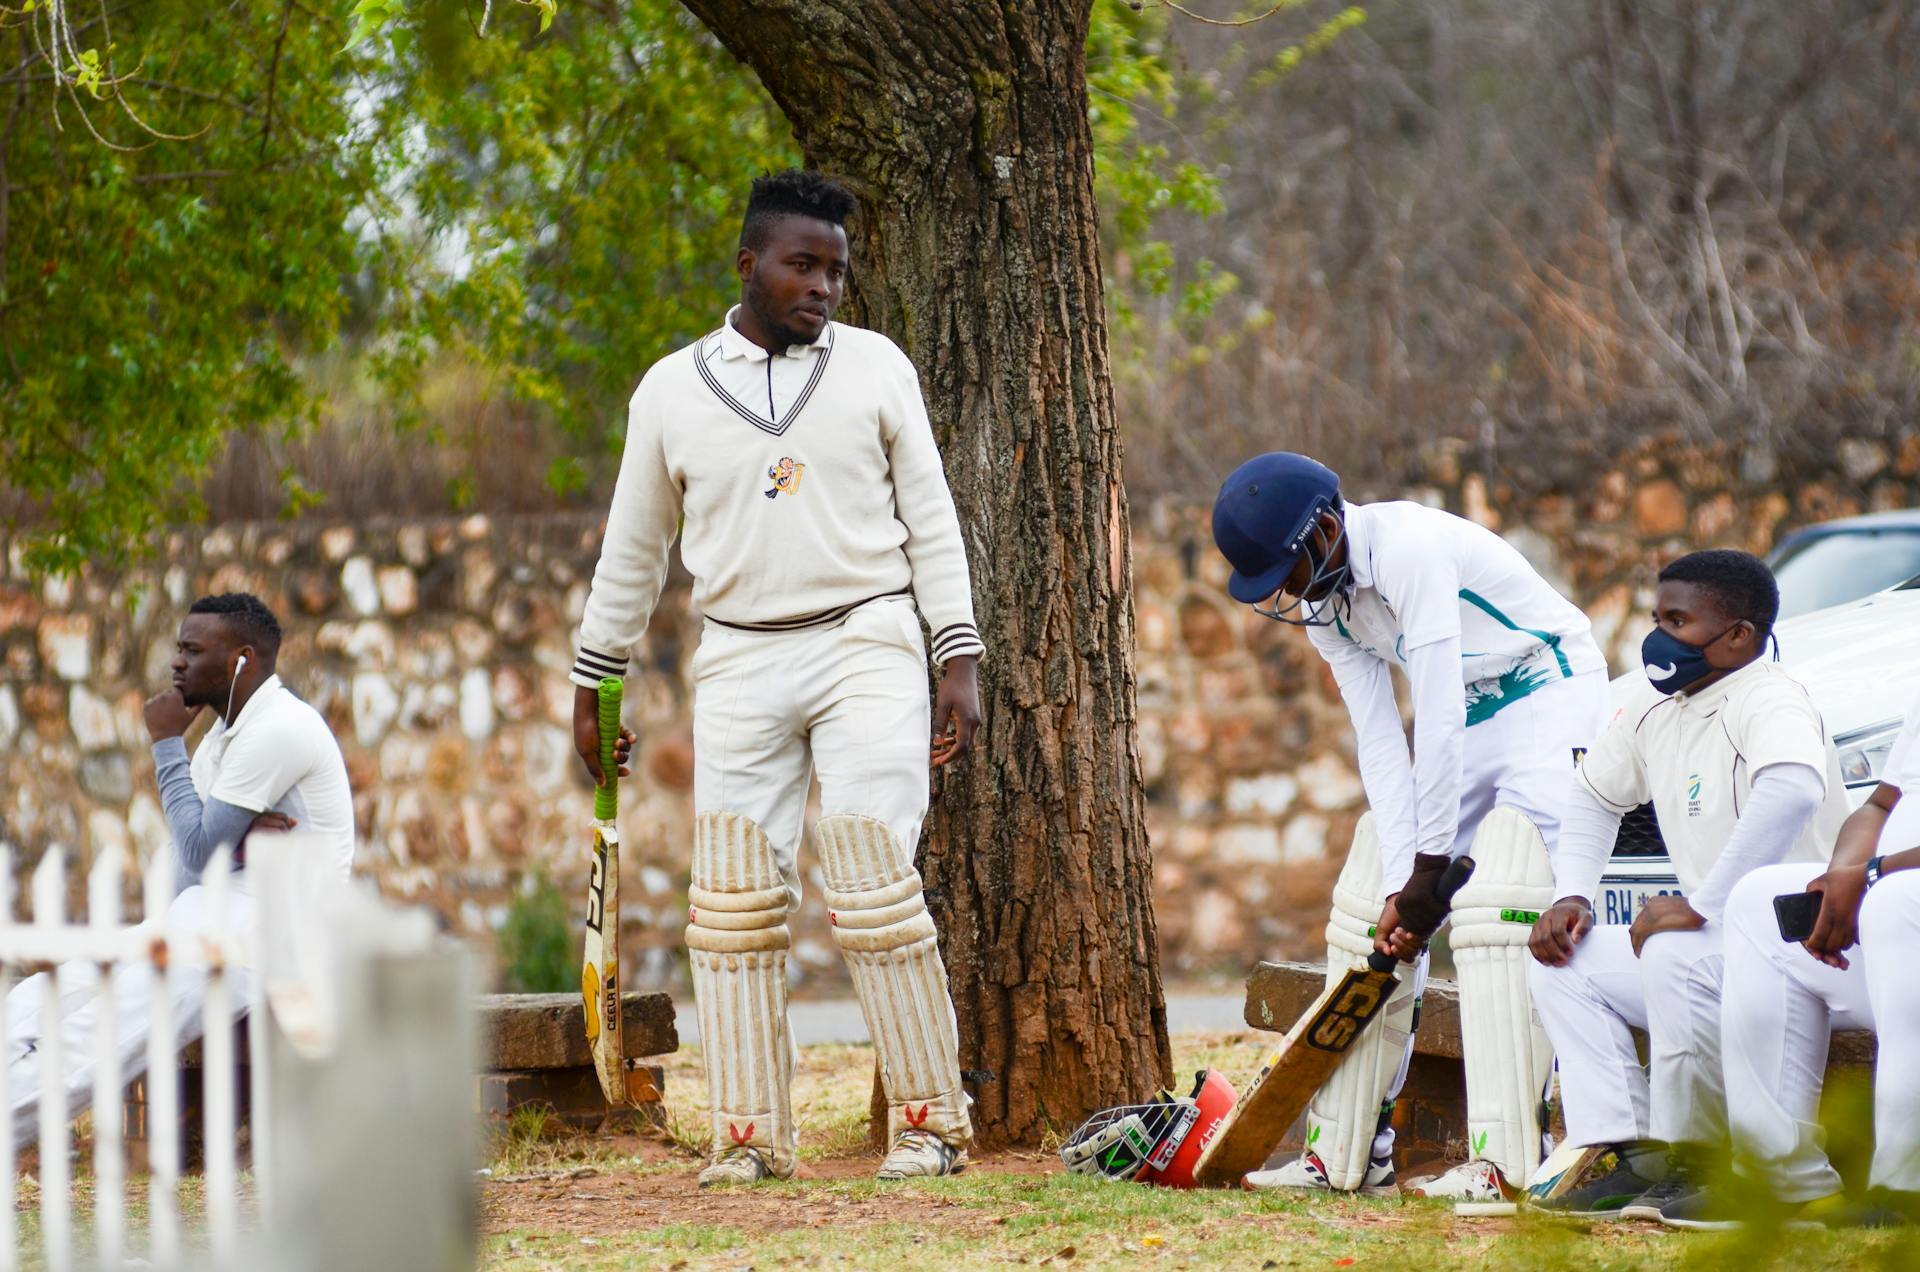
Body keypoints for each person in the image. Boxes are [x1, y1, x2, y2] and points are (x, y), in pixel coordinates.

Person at [568, 169, 984, 1185]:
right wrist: (594, 686)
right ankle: (750, 1135)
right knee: (735, 902)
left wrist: (957, 655)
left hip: (867, 638)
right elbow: (633, 551)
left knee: (874, 880)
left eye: (837, 270)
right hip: (741, 652)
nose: (824, 287)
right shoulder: (670, 390)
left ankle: (931, 1123)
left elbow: (932, 519)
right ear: (747, 263)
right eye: (803, 265)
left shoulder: (878, 369)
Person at [1210, 453, 1610, 1199]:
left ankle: (1510, 1160)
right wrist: (1407, 884)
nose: (1290, 595)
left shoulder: (1409, 550)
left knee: (1507, 885)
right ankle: (1349, 1154)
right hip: (1471, 716)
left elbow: (1437, 712)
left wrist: (1435, 872)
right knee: (1371, 893)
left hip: (1548, 686)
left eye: (1289, 572)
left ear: (1327, 528)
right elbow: (1381, 744)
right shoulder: (1326, 607)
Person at [1526, 550, 1848, 1218]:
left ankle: (1699, 1161)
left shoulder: (1769, 696)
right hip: (1723, 947)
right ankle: (1627, 1150)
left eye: (1679, 620)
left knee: (1672, 951)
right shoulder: (1655, 704)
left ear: (1739, 637)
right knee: (1564, 963)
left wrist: (1705, 903)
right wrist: (1573, 894)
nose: (1660, 638)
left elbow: (1790, 788)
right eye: (1657, 617)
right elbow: (1591, 797)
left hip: (1804, 943)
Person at [7, 592, 355, 1149]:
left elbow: (193, 854)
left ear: (242, 660)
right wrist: (233, 848)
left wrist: (168, 742)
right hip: (204, 917)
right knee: (35, 1000)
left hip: (274, 935)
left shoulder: (279, 730)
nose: (177, 663)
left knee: (99, 1034)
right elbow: (184, 871)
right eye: (179, 649)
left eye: (193, 651)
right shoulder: (222, 738)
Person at [1661, 690, 1920, 1229]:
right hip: (1894, 927)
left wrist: (1877, 875)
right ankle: (1782, 1181)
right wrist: (1843, 877)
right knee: (1759, 900)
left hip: (1904, 906)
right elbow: (1880, 804)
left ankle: (1904, 1192)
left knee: (1898, 901)